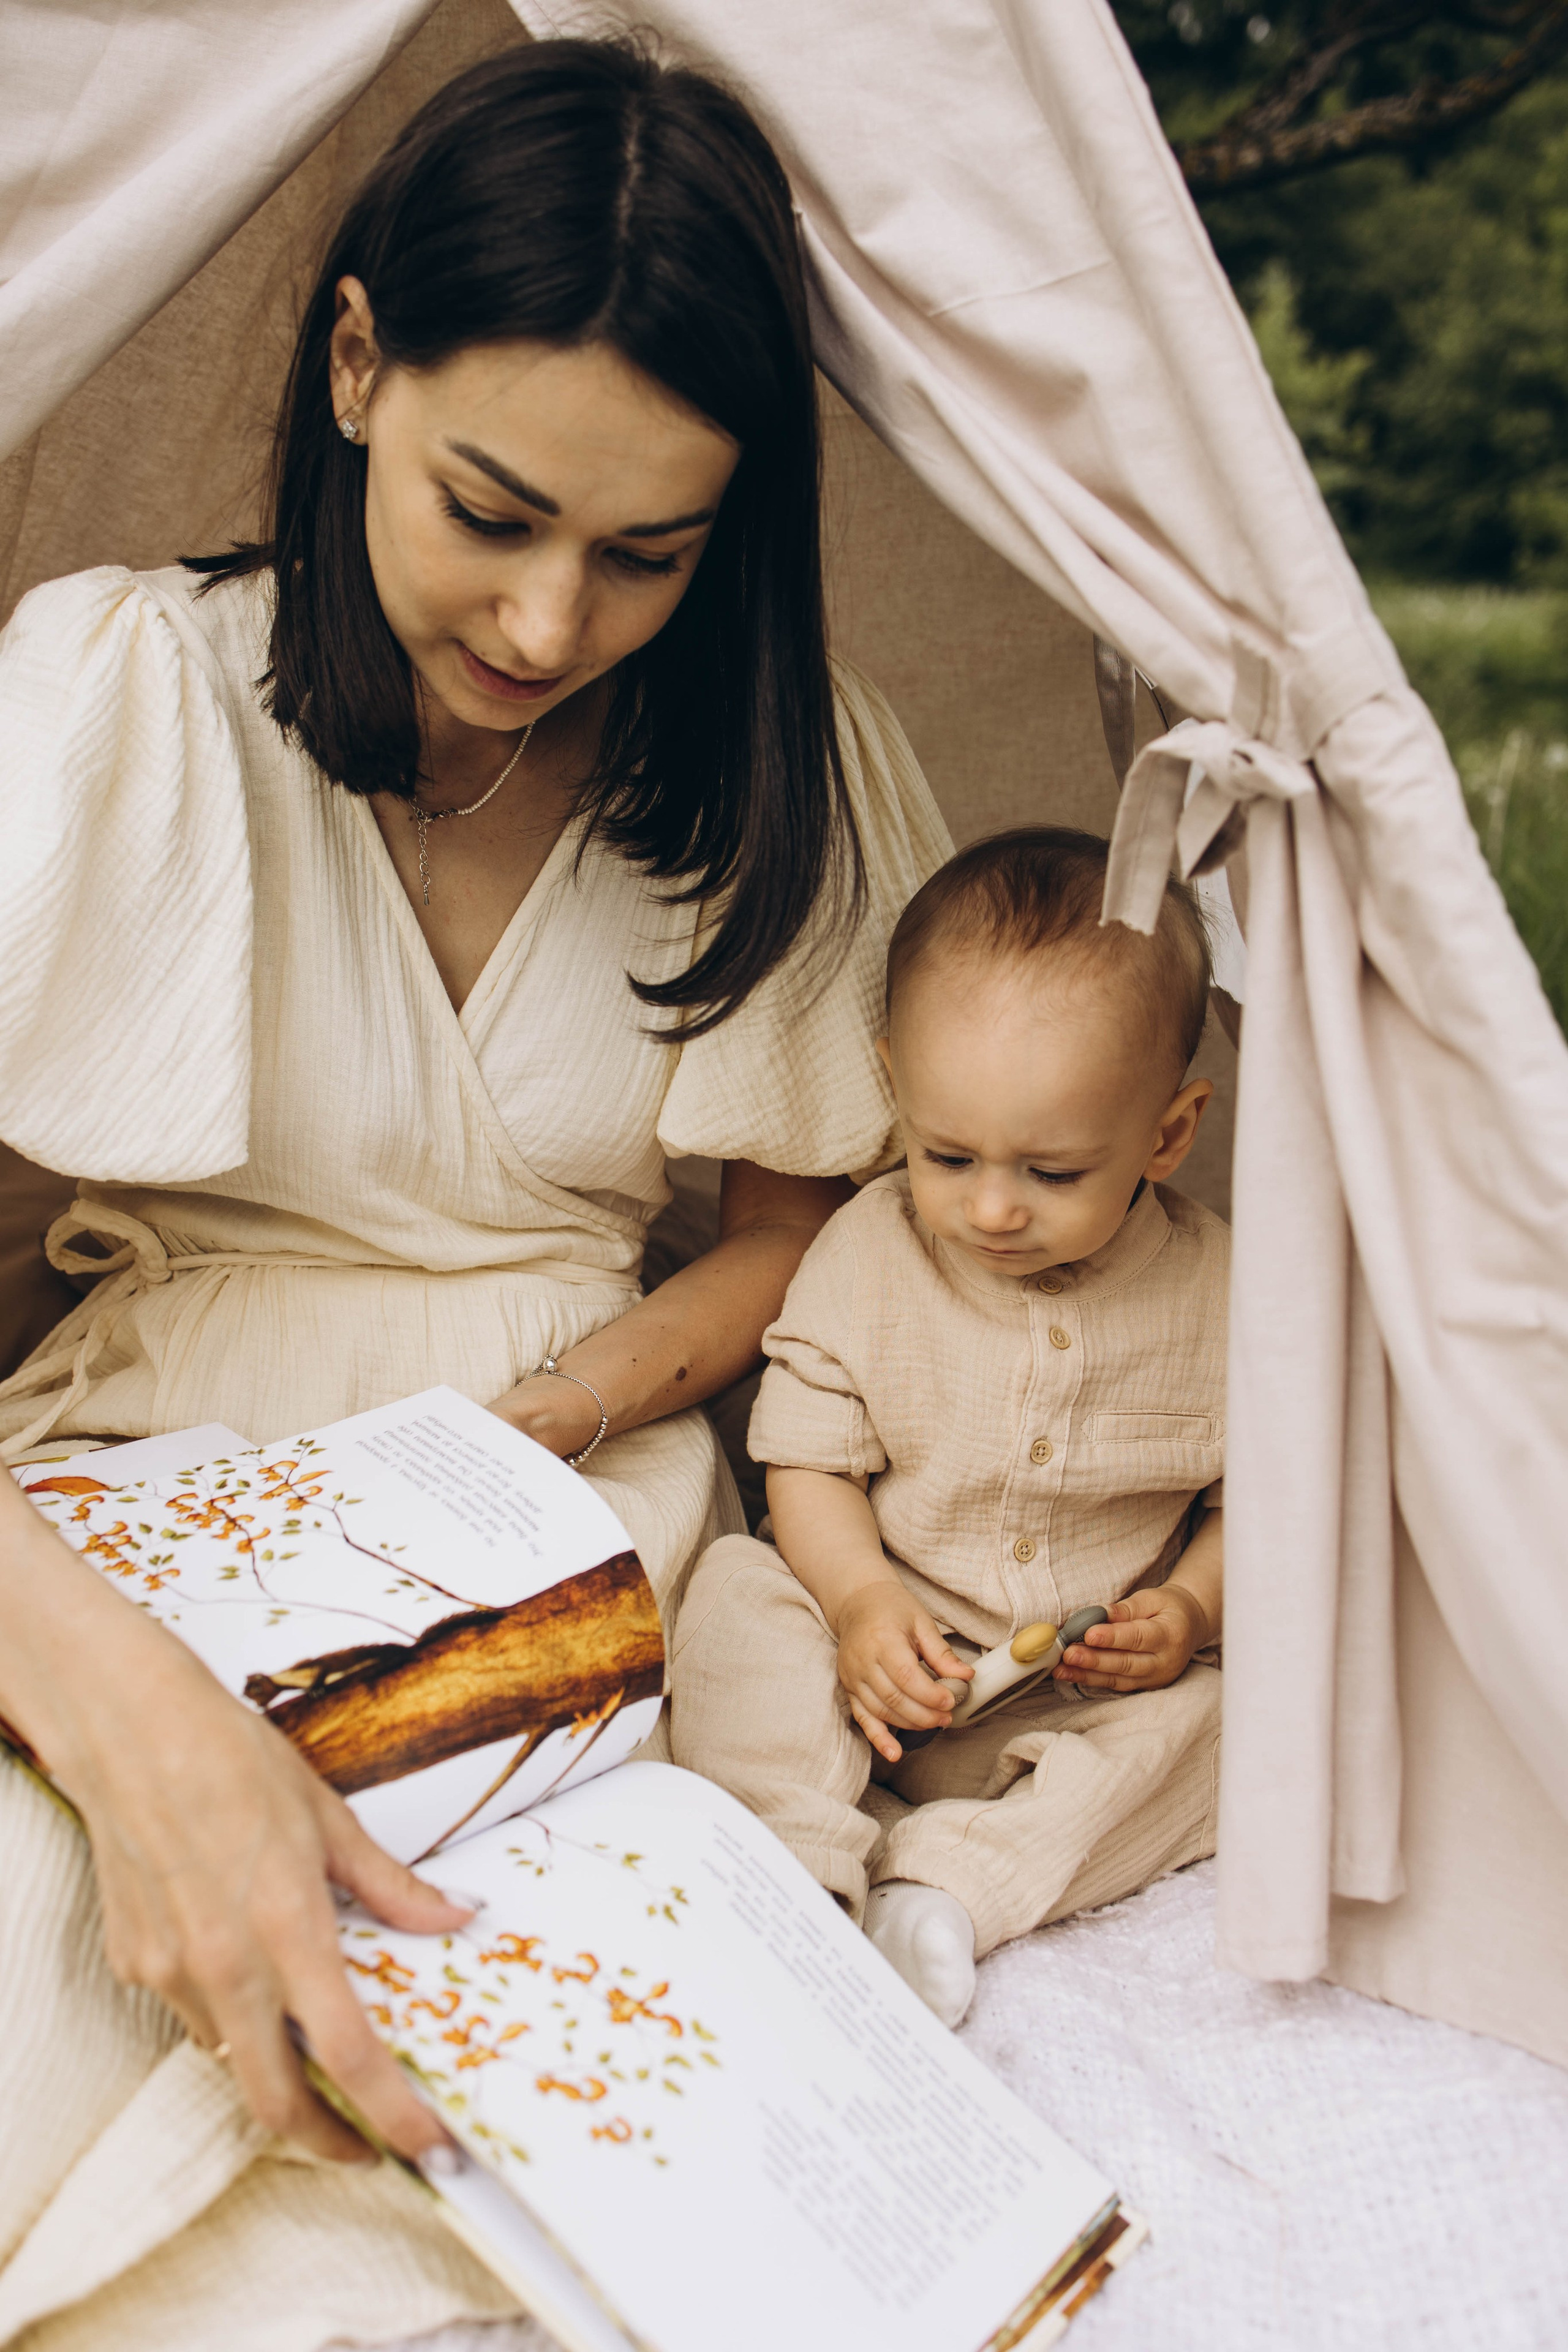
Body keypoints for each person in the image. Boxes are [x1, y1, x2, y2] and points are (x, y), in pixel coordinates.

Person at [0, 40, 948, 2348]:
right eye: (491, 511)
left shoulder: (783, 773)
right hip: (140, 1487)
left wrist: (569, 1397)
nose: (546, 626)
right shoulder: (126, 689)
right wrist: (123, 1711)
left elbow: (802, 1223)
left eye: (649, 551)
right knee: (69, 1966)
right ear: (353, 367)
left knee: (517, 2076)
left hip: (573, 1497)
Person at [671, 827, 1227, 2029]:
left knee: (1250, 1724)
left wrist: (1188, 1612)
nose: (988, 1208)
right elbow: (802, 1462)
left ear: (1165, 1135)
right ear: (893, 1087)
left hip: (1080, 1704)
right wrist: (861, 1602)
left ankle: (951, 1887)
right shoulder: (868, 1253)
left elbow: (1262, 1503)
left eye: (1051, 1172)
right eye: (947, 1154)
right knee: (730, 1590)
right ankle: (799, 1863)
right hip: (872, 1669)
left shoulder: (1227, 1292)